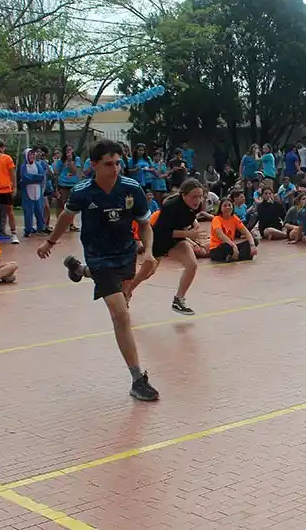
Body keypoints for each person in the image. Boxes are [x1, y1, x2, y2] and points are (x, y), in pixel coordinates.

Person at [38, 139, 159, 402]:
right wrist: (50, 242)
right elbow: (66, 217)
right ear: (93, 166)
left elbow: (145, 224)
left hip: (126, 255)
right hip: (99, 256)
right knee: (121, 314)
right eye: (108, 164)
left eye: (118, 163)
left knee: (123, 294)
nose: (115, 169)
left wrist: (148, 251)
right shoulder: (83, 192)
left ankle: (79, 270)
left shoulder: (132, 188)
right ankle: (138, 379)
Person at [125, 178, 205, 315]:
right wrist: (189, 234)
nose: (197, 200)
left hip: (176, 241)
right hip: (159, 240)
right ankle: (126, 293)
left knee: (192, 265)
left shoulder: (196, 206)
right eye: (194, 196)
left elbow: (189, 218)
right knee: (147, 272)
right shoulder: (171, 206)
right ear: (183, 195)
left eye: (200, 196)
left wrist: (194, 227)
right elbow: (165, 232)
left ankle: (178, 300)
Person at [208, 198, 256, 262]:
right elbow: (220, 235)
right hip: (217, 249)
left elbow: (246, 232)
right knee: (226, 246)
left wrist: (252, 245)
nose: (228, 207)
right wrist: (233, 246)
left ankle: (233, 257)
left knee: (254, 241)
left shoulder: (234, 218)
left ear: (232, 207)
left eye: (229, 205)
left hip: (231, 247)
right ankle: (241, 257)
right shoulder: (216, 219)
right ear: (220, 208)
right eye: (225, 206)